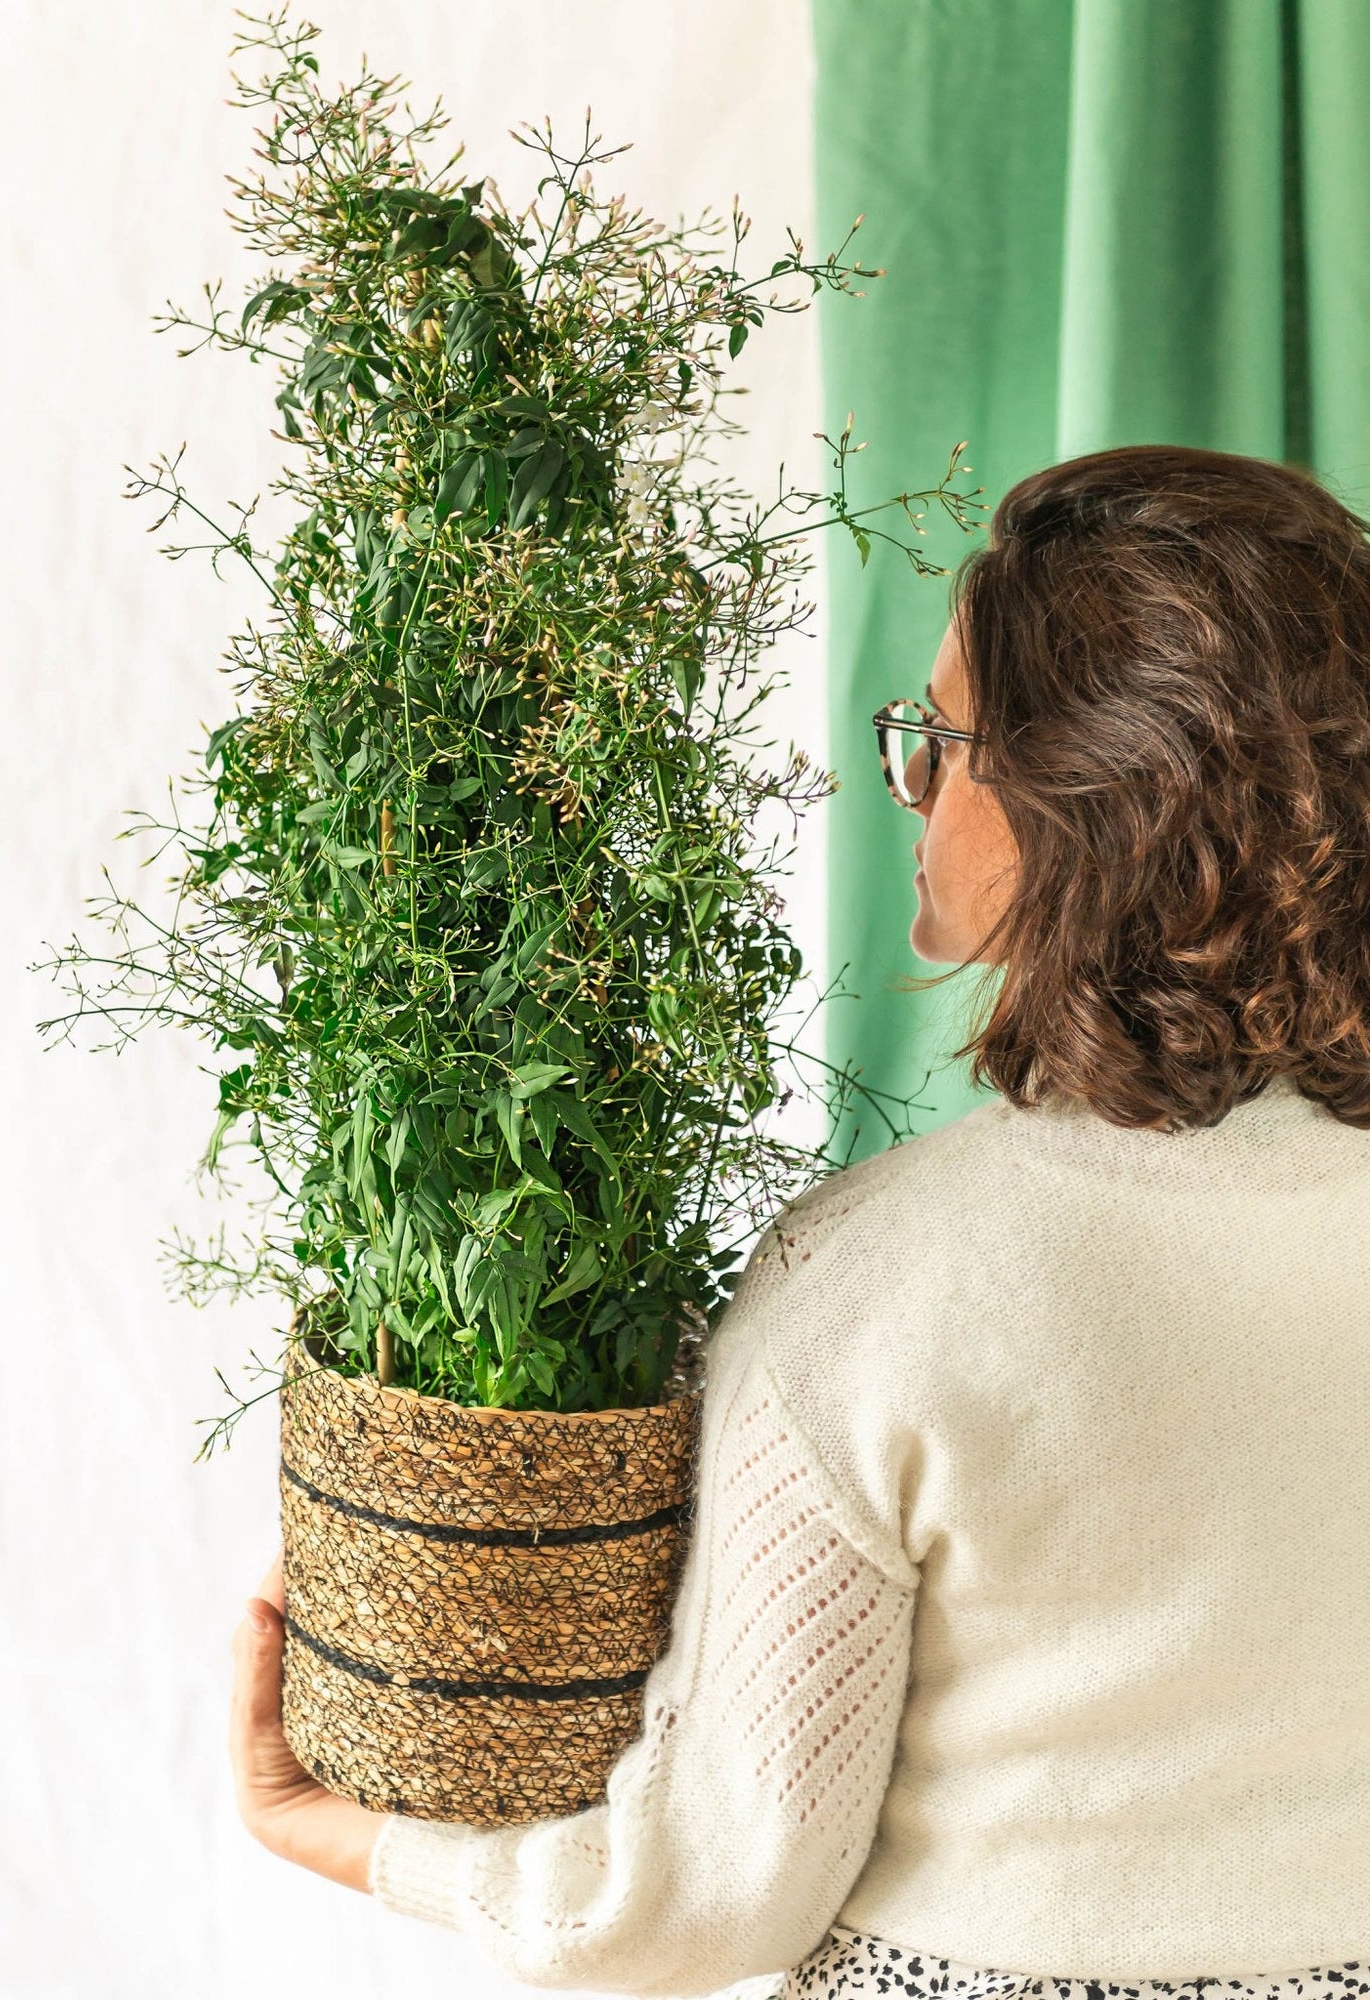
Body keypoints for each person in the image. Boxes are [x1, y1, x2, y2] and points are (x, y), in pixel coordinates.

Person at [228, 444, 1370, 1996]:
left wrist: (335, 1831)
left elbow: (706, 1897)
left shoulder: (887, 1281)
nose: (900, 783)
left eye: (939, 742)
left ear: (1091, 795)